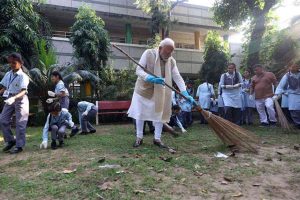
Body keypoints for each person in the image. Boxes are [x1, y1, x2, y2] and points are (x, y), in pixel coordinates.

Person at [127, 38, 194, 148]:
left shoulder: (171, 61)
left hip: (159, 91)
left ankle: (157, 139)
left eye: (171, 52)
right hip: (143, 90)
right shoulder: (148, 54)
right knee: (140, 113)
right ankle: (139, 137)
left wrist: (185, 93)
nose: (169, 54)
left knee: (159, 114)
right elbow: (138, 71)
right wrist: (149, 78)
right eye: (167, 52)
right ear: (160, 48)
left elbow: (177, 76)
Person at [0, 53, 29, 154]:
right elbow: (4, 88)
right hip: (9, 98)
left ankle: (19, 146)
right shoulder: (8, 74)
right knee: (3, 119)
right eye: (10, 63)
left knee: (20, 123)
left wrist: (14, 98)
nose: (12, 64)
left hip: (20, 99)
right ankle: (11, 141)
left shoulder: (23, 76)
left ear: (21, 63)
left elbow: (24, 91)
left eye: (14, 63)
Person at [274, 61, 300, 128]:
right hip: (292, 95)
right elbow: (280, 85)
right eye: (293, 66)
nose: (295, 67)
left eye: (297, 66)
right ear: (290, 67)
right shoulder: (287, 76)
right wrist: (277, 94)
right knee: (294, 109)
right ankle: (297, 124)